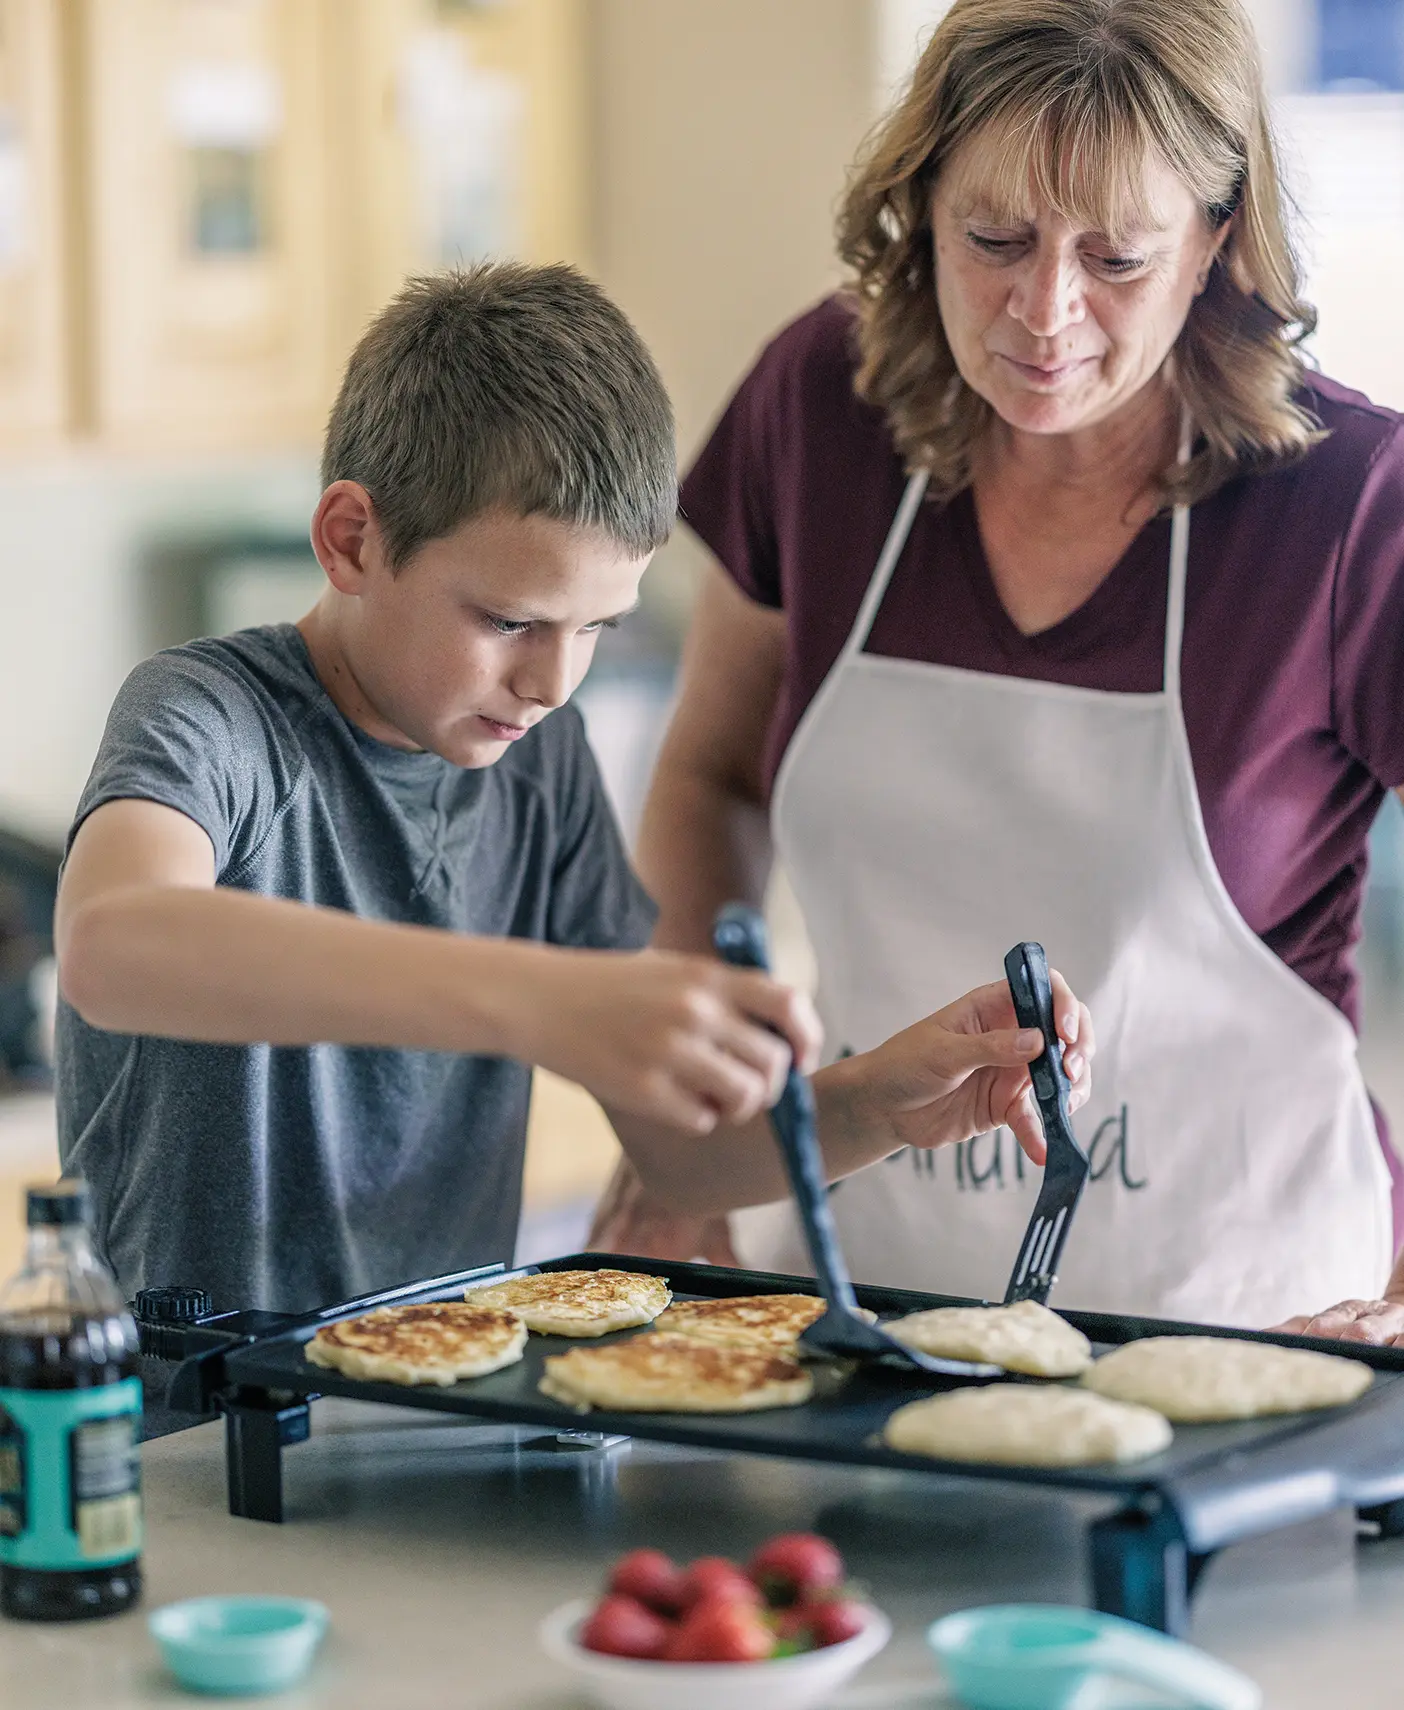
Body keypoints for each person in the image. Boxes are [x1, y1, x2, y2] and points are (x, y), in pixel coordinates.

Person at [591, 0, 1404, 1340]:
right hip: (852, 1294)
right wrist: (696, 1136)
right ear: (919, 204)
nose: (1045, 312)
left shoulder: (1346, 504)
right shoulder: (821, 407)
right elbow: (714, 774)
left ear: (1216, 239)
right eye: (995, 239)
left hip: (1249, 1328)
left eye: (1119, 257)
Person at [53, 263, 1086, 1314]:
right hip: (172, 1442)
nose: (553, 682)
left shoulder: (539, 765)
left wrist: (885, 1103)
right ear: (352, 540)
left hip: (430, 1414)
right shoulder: (210, 717)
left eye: (596, 628)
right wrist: (543, 1005)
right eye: (510, 621)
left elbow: (682, 1162)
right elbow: (113, 945)